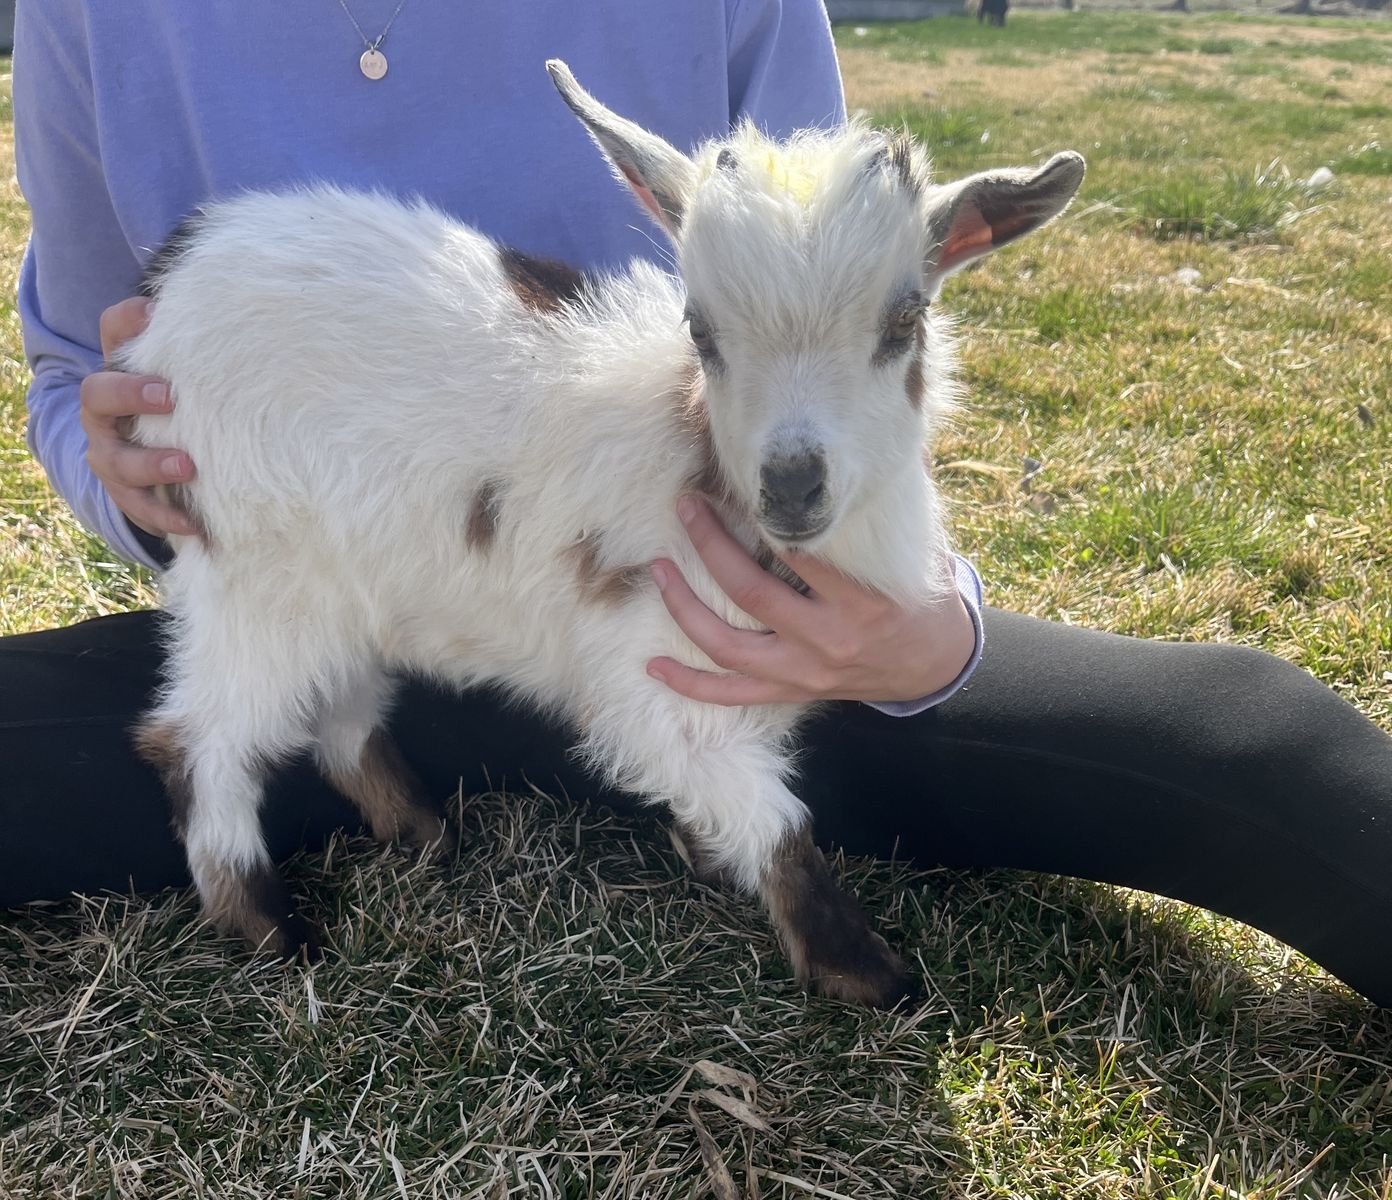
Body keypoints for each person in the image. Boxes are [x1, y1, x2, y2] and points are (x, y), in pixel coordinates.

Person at [8, 0, 1392, 1007]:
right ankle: (279, 834)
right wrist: (131, 475)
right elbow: (76, 365)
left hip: (736, 622)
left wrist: (923, 637)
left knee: (1262, 751)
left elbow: (832, 323)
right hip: (349, 588)